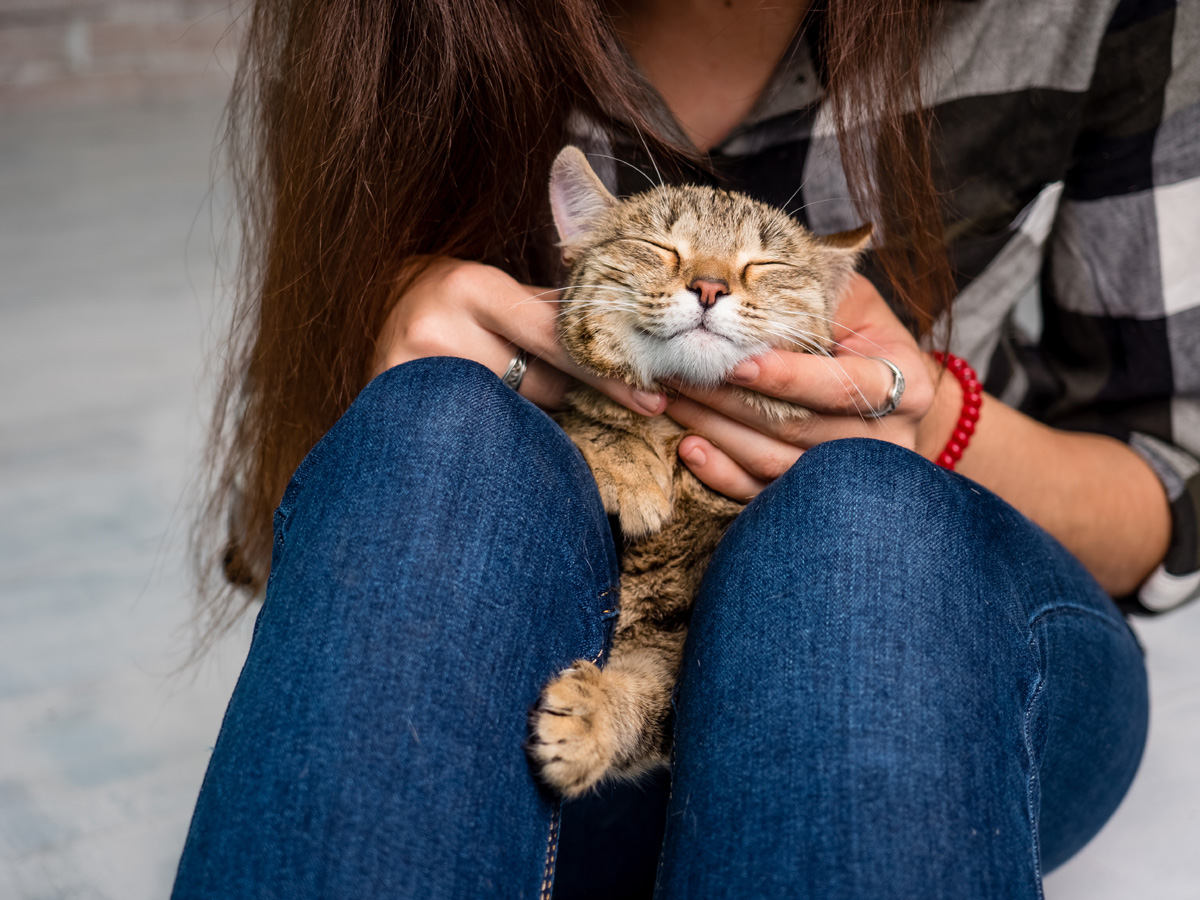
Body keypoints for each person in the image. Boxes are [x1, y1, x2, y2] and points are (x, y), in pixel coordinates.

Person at [173, 0, 1199, 897]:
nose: (710, 288)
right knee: (436, 425)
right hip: (533, 721)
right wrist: (380, 319)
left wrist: (929, 427)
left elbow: (1166, 480)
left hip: (950, 678)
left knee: (857, 521)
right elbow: (298, 519)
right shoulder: (397, 25)